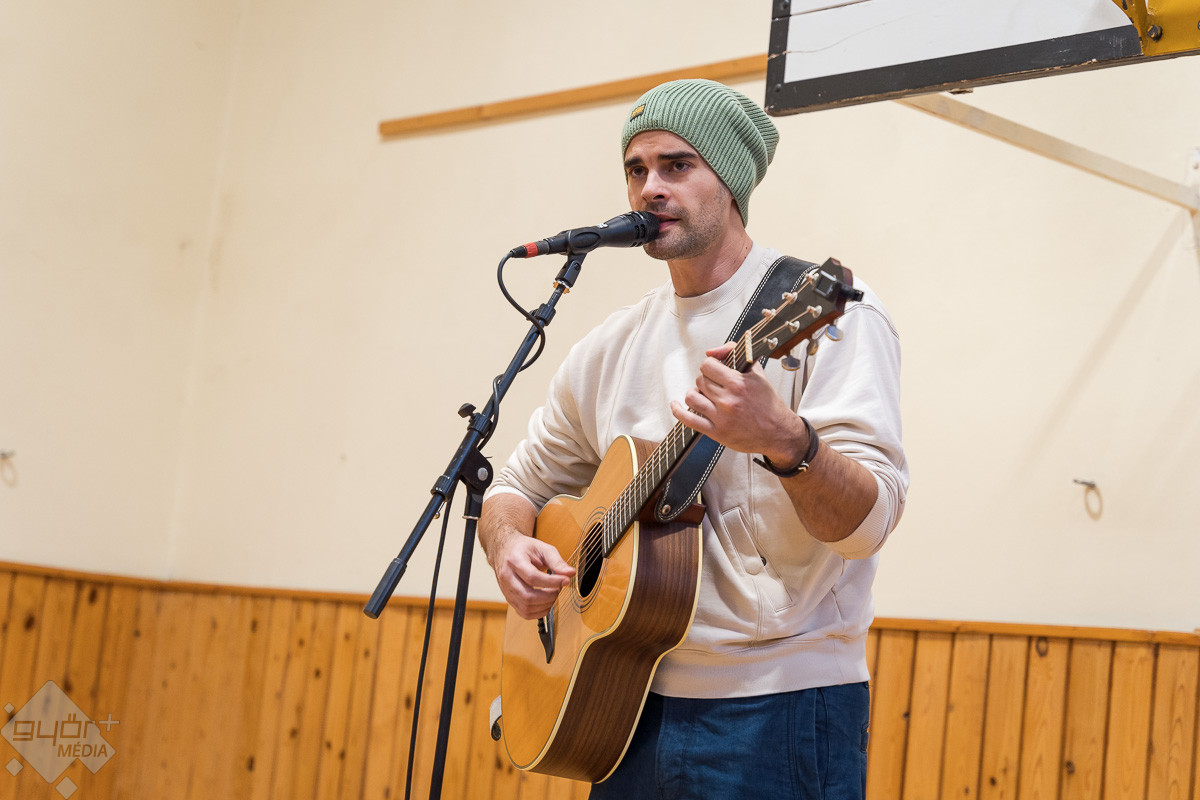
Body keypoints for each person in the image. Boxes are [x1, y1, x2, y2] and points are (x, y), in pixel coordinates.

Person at [478, 79, 907, 799]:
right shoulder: (609, 346)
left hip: (780, 706)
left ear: (730, 182)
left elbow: (868, 526)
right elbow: (516, 486)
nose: (650, 187)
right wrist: (508, 546)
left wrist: (784, 440)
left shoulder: (832, 318)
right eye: (636, 169)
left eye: (677, 165)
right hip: (619, 699)